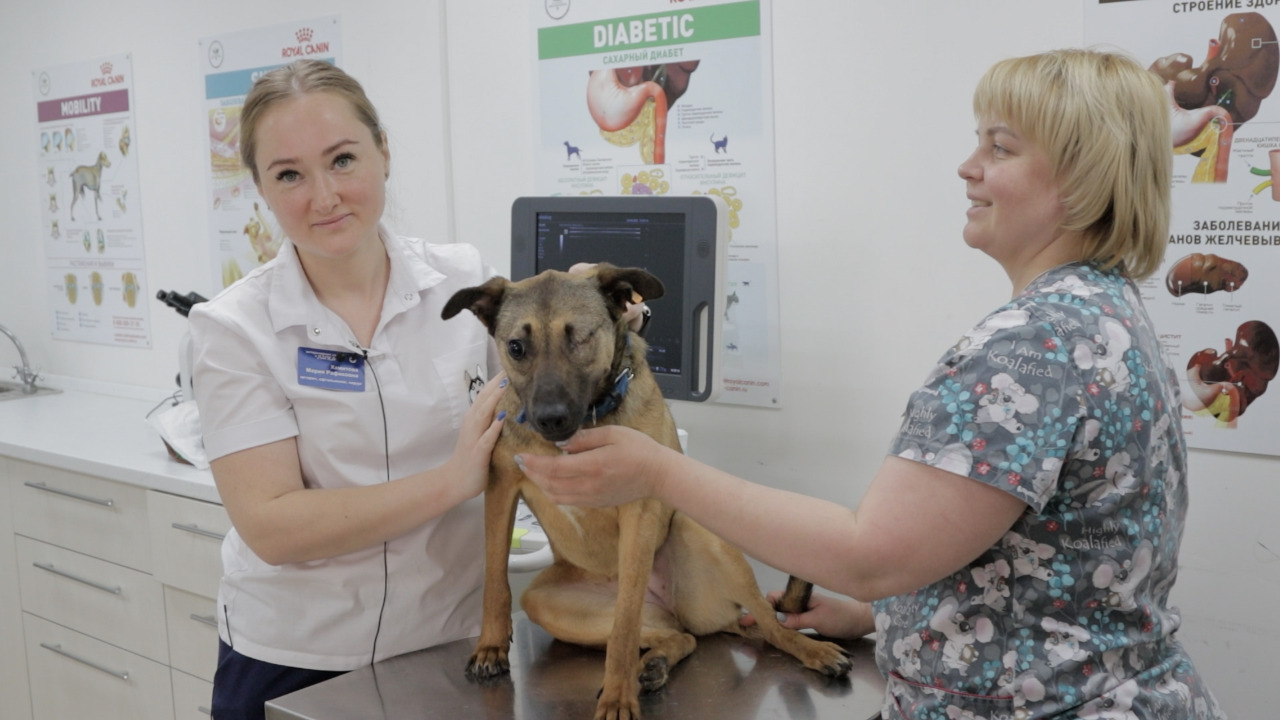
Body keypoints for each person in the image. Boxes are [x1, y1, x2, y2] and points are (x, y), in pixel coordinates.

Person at [516, 49, 1227, 719]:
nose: (967, 167)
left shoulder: (1032, 347)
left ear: (1081, 180)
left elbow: (869, 554)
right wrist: (887, 617)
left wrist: (658, 472)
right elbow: (1027, 558)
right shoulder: (1108, 313)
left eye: (1000, 148)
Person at [188, 59, 509, 720]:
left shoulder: (464, 281)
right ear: (260, 189)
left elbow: (545, 392)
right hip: (296, 660)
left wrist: (611, 313)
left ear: (383, 152)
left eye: (342, 160)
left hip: (451, 645)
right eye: (289, 175)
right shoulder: (233, 329)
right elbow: (272, 525)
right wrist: (451, 482)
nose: (325, 196)